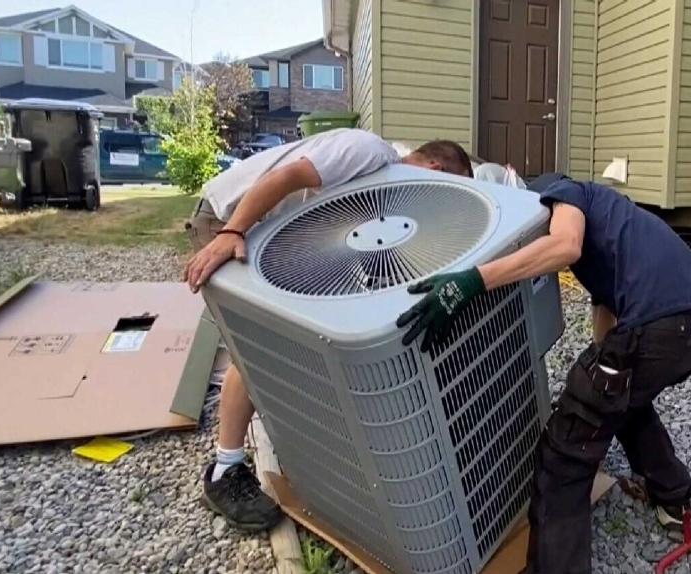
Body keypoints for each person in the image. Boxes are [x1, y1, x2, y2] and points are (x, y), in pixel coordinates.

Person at [395, 173, 691, 573]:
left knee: (564, 453)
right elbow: (606, 326)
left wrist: (473, 280)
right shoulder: (614, 228)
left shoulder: (562, 191)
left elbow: (564, 245)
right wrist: (595, 383)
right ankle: (672, 498)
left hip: (662, 325)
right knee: (620, 399)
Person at [183, 127, 475, 533]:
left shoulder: (383, 188)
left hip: (275, 234)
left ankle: (288, 450)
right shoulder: (369, 151)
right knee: (258, 344)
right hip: (234, 219)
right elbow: (286, 177)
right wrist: (232, 232)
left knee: (285, 341)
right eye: (443, 192)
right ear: (436, 169)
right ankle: (224, 472)